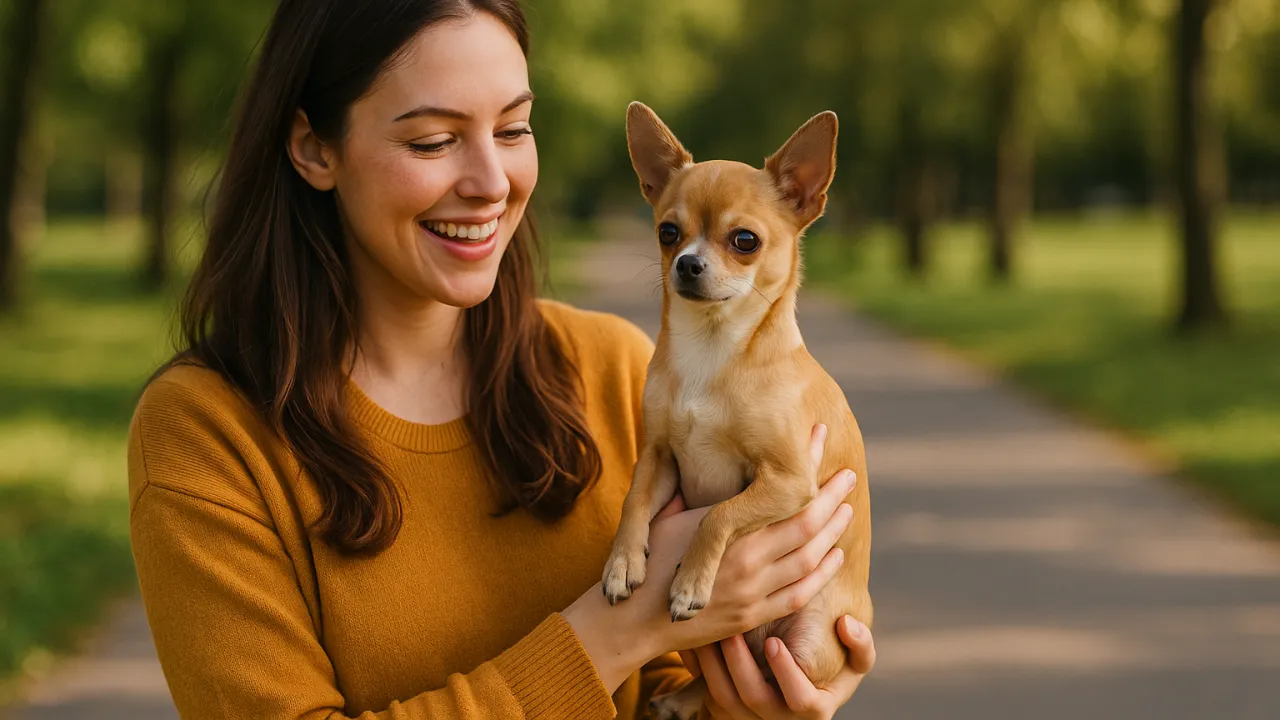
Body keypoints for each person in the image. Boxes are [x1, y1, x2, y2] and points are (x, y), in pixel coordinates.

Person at [127, 0, 876, 718]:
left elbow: (670, 694)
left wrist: (755, 706)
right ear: (314, 148)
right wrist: (616, 633)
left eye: (514, 130)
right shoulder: (207, 435)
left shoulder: (612, 370)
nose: (492, 183)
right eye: (433, 140)